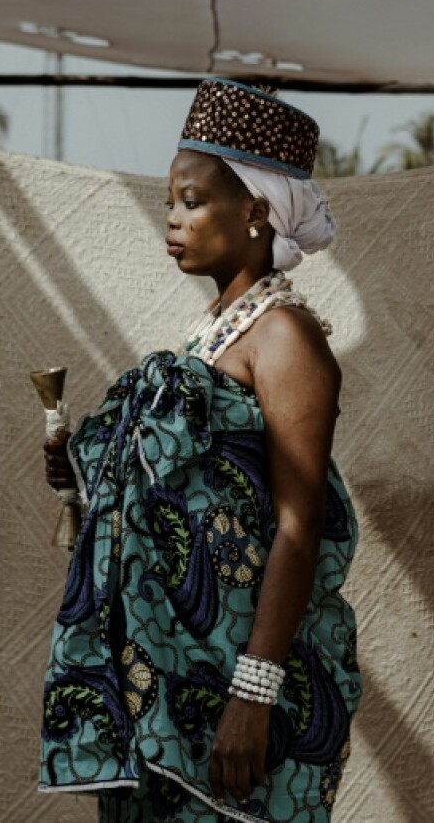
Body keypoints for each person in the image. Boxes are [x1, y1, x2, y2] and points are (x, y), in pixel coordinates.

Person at [37, 78, 362, 823]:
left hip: (235, 679)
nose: (173, 219)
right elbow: (189, 497)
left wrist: (253, 694)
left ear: (254, 212)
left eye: (192, 201)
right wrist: (88, 472)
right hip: (170, 675)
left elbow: (298, 524)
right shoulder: (216, 333)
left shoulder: (285, 337)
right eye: (169, 203)